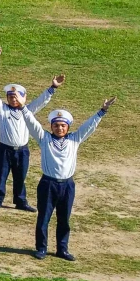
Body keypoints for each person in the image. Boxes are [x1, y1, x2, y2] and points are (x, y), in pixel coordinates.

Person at [31, 99, 113, 261]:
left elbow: (88, 127)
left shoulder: (74, 139)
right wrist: (21, 106)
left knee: (64, 219)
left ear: (68, 127)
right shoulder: (44, 138)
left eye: (63, 125)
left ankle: (62, 249)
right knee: (44, 218)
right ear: (51, 127)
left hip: (67, 185)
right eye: (56, 125)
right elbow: (31, 122)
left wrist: (102, 111)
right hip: (48, 184)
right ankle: (41, 248)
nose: (59, 128)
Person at [0, 71, 60, 212]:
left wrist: (52, 88)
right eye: (10, 97)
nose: (13, 100)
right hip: (4, 150)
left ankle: (20, 201)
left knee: (20, 177)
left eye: (16, 97)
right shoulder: (2, 109)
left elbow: (41, 101)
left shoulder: (28, 110)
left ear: (23, 98)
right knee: (0, 176)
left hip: (22, 150)